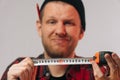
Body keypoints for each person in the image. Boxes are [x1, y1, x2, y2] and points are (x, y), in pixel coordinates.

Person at [1, 0, 120, 80]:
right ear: (39, 28)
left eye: (68, 23)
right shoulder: (18, 70)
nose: (60, 31)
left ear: (81, 32)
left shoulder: (102, 75)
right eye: (52, 22)